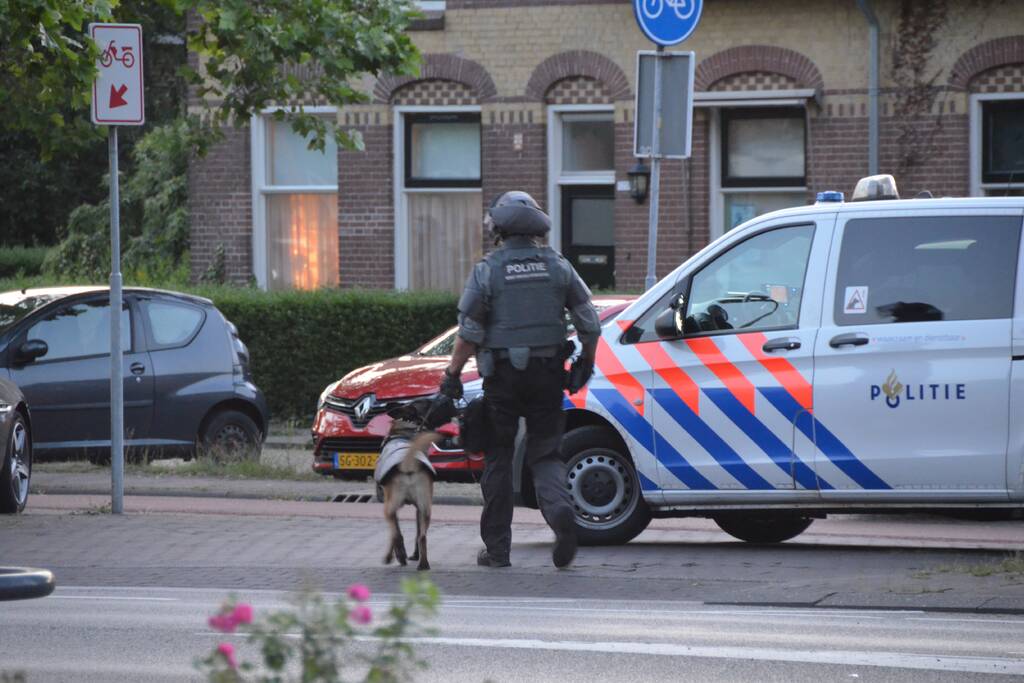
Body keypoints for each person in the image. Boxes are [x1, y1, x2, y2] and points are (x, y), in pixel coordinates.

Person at [438, 191, 601, 569]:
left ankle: (497, 550)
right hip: (547, 377)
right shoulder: (559, 267)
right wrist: (585, 365)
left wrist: (452, 375)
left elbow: (469, 333)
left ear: (499, 229)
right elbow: (590, 325)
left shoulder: (488, 270)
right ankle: (561, 513)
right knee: (545, 453)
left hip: (502, 381)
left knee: (498, 457)